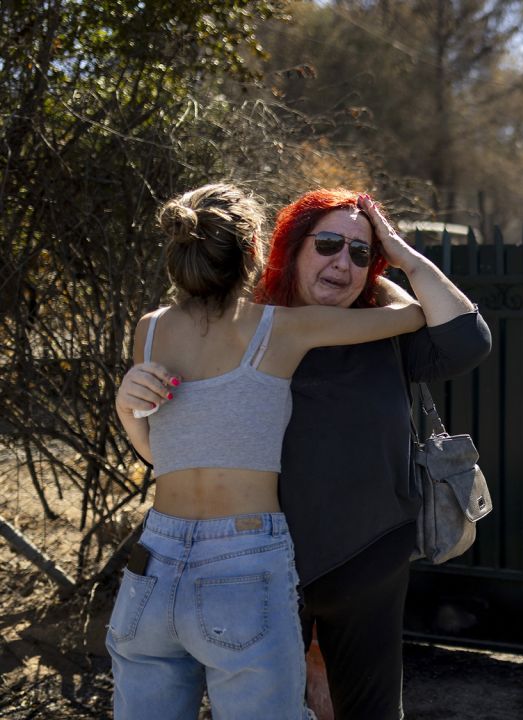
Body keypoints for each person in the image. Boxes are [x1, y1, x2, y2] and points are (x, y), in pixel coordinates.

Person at [108, 183, 428, 719]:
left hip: (155, 559)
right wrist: (383, 258)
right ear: (256, 250)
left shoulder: (150, 330)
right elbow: (414, 315)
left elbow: (159, 454)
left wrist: (124, 410)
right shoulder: (280, 329)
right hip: (243, 558)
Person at [255, 189, 490, 720]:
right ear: (292, 247)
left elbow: (467, 341)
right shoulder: (249, 329)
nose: (343, 262)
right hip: (262, 564)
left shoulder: (384, 334)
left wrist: (399, 256)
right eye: (329, 244)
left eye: (361, 253)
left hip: (368, 562)